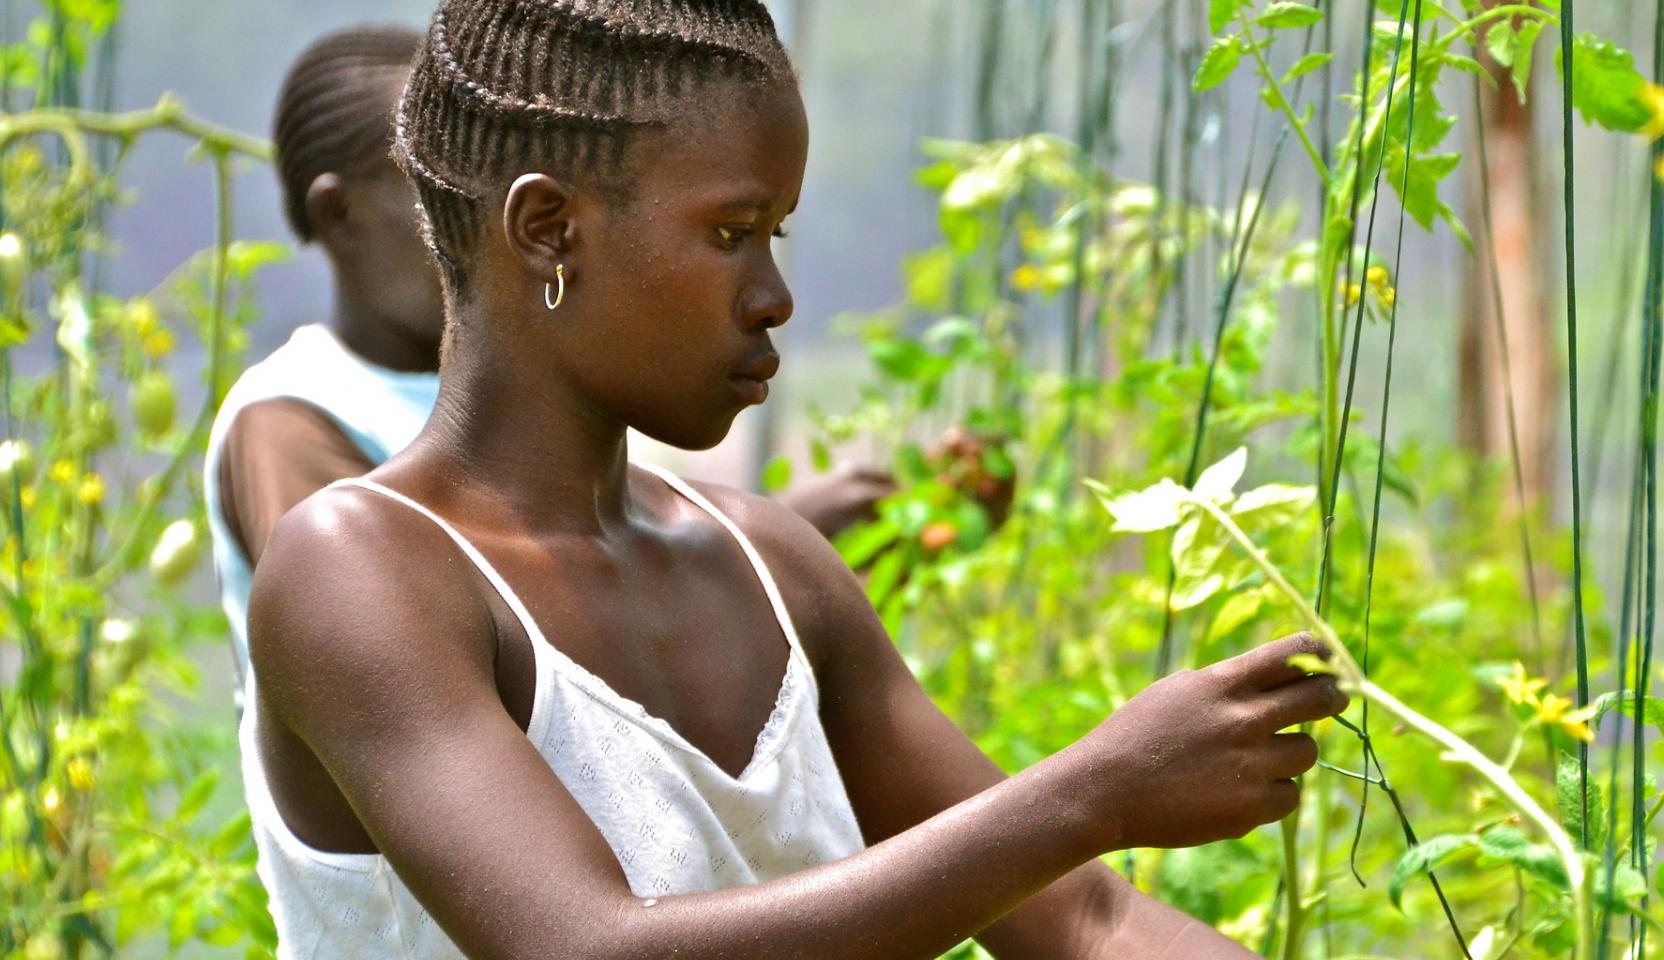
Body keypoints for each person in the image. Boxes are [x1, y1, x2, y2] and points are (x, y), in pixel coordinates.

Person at [242, 2, 1347, 958]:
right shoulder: (362, 571)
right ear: (547, 231)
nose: (773, 294)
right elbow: (583, 948)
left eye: (776, 232)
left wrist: (1085, 817)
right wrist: (1090, 793)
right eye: (731, 231)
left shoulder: (774, 568)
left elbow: (1088, 926)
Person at [204, 24, 893, 688]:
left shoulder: (532, 401)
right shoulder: (293, 416)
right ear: (338, 214)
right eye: (429, 186)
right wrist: (760, 552)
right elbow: (392, 628)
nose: (467, 203)